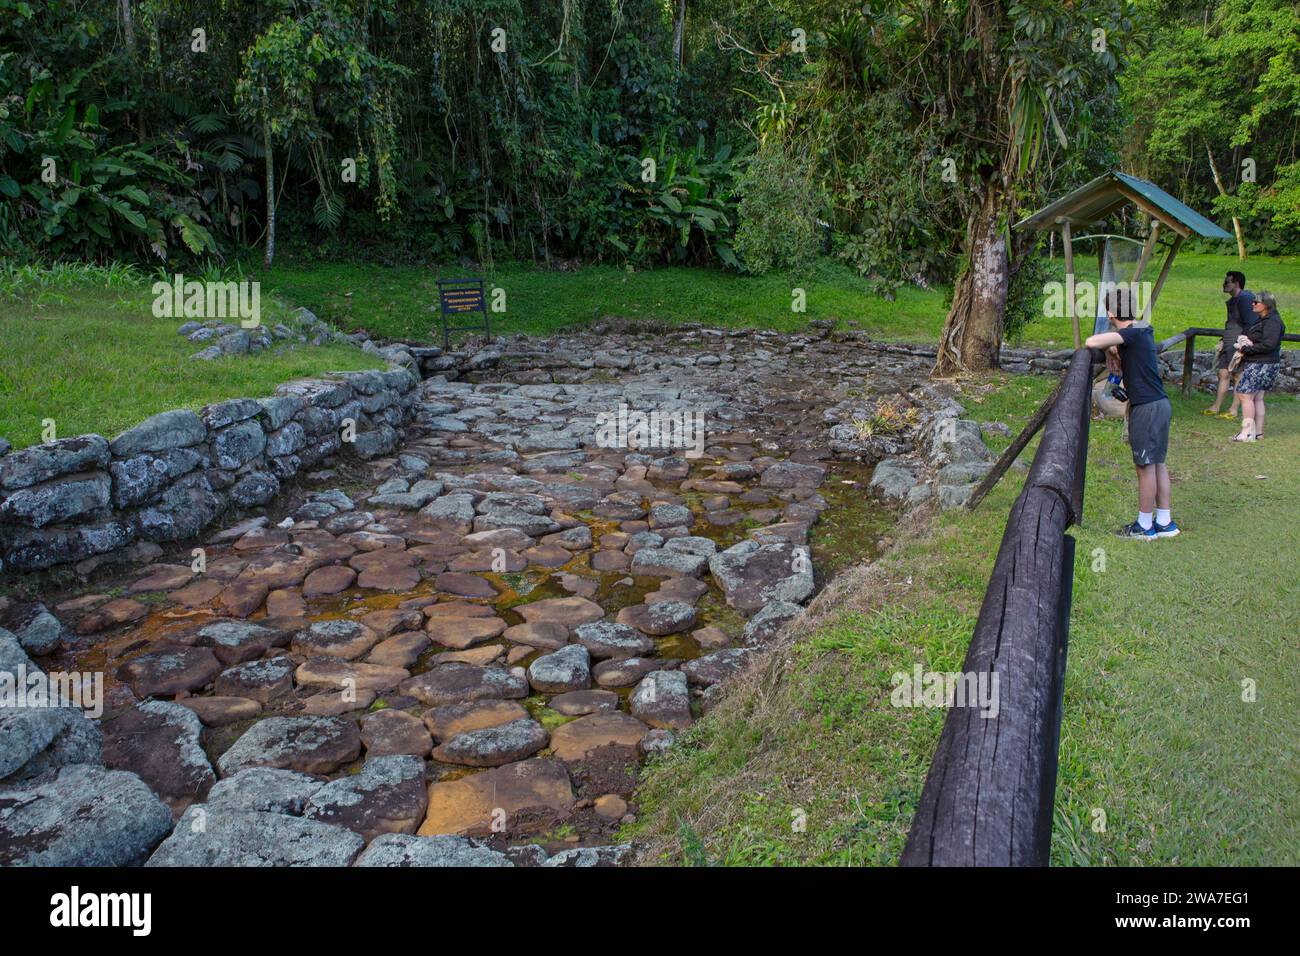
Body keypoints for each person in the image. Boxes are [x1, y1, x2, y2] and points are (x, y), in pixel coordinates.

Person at [1085, 290, 1179, 539]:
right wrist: (1113, 351)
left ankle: (1145, 526)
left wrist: (1106, 346)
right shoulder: (1141, 331)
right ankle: (1165, 521)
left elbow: (1090, 342)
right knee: (1157, 463)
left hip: (1147, 408)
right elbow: (1121, 347)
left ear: (1110, 313)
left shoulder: (1130, 333)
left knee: (1144, 466)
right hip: (1159, 404)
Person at [1231, 290, 1285, 442]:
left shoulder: (1272, 321)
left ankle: (1247, 433)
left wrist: (1246, 348)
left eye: (1256, 302)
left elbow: (1269, 344)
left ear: (1266, 305)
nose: (1252, 304)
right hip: (1264, 363)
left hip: (1262, 364)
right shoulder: (1264, 319)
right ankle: (1258, 433)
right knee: (1257, 398)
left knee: (1245, 395)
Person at [1204, 271, 1255, 418]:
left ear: (1236, 284)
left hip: (1238, 342)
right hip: (1229, 340)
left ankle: (1233, 409)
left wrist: (1242, 343)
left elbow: (1250, 323)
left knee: (1237, 374)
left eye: (1227, 282)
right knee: (1223, 373)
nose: (1224, 285)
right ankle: (1216, 406)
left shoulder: (1245, 299)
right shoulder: (1235, 300)